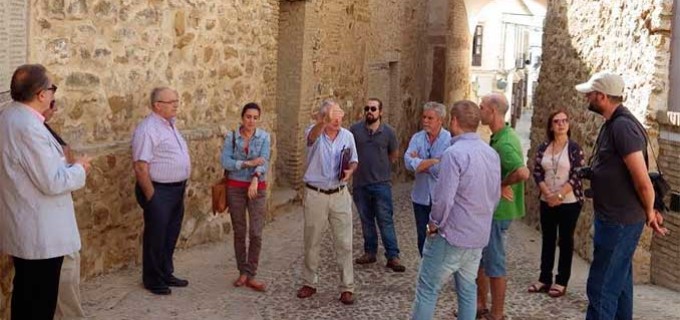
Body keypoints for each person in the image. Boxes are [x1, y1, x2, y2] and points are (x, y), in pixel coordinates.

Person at [0, 64, 91, 320]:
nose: (53, 95)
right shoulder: (28, 126)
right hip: (41, 232)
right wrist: (80, 168)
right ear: (41, 94)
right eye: (52, 89)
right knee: (39, 302)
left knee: (27, 295)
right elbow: (52, 181)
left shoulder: (10, 116)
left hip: (30, 227)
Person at [575, 71, 668, 319]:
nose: (587, 98)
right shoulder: (614, 124)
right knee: (620, 286)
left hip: (619, 223)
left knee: (602, 288)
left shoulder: (623, 127)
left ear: (602, 96)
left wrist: (650, 212)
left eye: (590, 95)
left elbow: (642, 180)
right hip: (615, 219)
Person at [411, 100, 501, 320]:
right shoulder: (491, 154)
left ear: (453, 121)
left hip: (451, 236)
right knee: (468, 288)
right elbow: (495, 195)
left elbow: (443, 198)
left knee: (427, 288)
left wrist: (434, 223)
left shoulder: (454, 153)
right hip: (477, 236)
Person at [297, 99, 358, 305]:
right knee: (312, 240)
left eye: (339, 118)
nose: (337, 122)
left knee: (344, 242)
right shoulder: (314, 133)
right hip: (316, 194)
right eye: (333, 118)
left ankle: (347, 287)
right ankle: (309, 282)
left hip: (340, 194)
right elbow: (311, 137)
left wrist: (350, 170)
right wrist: (322, 122)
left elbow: (353, 160)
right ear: (324, 118)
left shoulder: (347, 136)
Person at [132, 87, 191, 295]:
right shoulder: (148, 129)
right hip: (159, 190)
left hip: (176, 190)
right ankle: (153, 279)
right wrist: (152, 197)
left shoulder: (170, 125)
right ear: (158, 105)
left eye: (177, 100)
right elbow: (140, 166)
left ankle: (166, 272)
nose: (176, 104)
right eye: (171, 101)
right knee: (156, 236)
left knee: (170, 234)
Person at [476, 93, 529, 320]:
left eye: (482, 107)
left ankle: (497, 314)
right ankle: (480, 306)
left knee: (495, 262)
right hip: (493, 210)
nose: (480, 111)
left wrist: (501, 184)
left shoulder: (505, 142)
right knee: (484, 259)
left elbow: (522, 172)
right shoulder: (501, 135)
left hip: (499, 212)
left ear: (493, 111)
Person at [527, 110, 585, 298]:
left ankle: (561, 281)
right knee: (548, 239)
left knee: (565, 240)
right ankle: (544, 278)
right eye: (557, 121)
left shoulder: (574, 149)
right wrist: (547, 193)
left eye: (565, 121)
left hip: (569, 201)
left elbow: (578, 175)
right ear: (551, 126)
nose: (561, 124)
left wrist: (559, 195)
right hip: (547, 200)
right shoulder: (544, 147)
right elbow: (537, 171)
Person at [42, 101, 87, 319]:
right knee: (65, 278)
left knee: (67, 276)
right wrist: (79, 167)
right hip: (51, 226)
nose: (55, 108)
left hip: (59, 221)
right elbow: (53, 180)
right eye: (51, 102)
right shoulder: (32, 131)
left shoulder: (42, 128)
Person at [349, 98, 404, 272]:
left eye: (373, 108)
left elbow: (393, 154)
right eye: (367, 108)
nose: (369, 111)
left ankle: (393, 255)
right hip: (360, 183)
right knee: (366, 221)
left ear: (380, 112)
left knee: (385, 220)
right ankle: (370, 252)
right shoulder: (355, 130)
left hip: (381, 184)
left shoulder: (389, 132)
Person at [221, 102, 271, 292]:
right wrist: (248, 163)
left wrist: (255, 178)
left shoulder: (264, 137)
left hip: (257, 187)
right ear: (242, 117)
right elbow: (226, 161)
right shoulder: (232, 137)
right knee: (240, 231)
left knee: (256, 232)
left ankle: (251, 273)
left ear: (259, 119)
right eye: (248, 117)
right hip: (235, 188)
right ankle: (242, 271)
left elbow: (264, 160)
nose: (251, 121)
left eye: (255, 118)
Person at [404, 102, 452, 256]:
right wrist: (432, 161)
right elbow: (408, 162)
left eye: (430, 118)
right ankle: (425, 271)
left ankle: (436, 271)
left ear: (440, 120)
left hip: (440, 198)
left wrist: (420, 163)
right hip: (420, 197)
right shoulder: (417, 138)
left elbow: (442, 169)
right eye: (424, 117)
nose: (425, 121)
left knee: (440, 238)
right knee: (422, 238)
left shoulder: (449, 140)